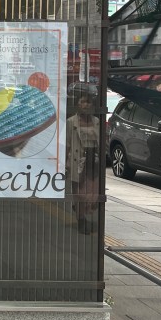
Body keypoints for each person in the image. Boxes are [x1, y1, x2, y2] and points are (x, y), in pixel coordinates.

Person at [67, 93, 101, 235]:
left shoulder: (97, 121)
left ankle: (85, 213)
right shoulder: (71, 122)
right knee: (80, 193)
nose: (86, 105)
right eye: (83, 102)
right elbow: (67, 143)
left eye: (89, 102)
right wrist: (65, 163)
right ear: (77, 104)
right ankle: (81, 219)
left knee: (93, 193)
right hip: (78, 161)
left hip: (94, 161)